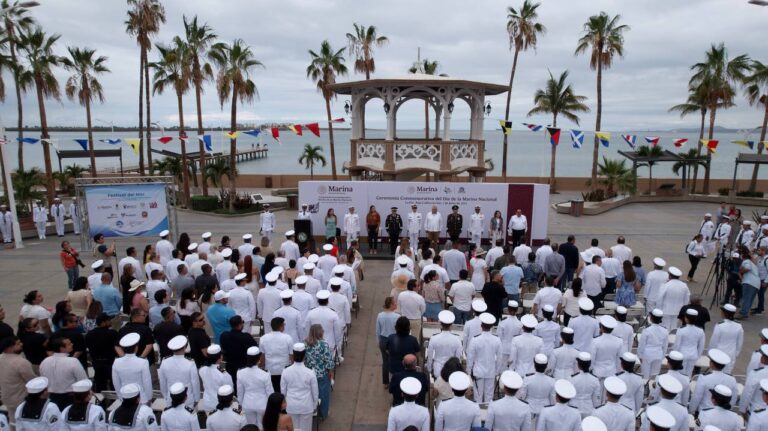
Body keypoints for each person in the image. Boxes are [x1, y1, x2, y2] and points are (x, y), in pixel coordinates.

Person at [39, 336, 88, 410]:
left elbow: (43, 380)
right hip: (70, 397)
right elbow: (83, 380)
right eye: (69, 344)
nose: (72, 344)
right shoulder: (73, 361)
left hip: (52, 397)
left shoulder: (45, 361)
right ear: (62, 348)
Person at [466, 313, 502, 403]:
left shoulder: (475, 339)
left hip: (478, 372)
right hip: (491, 372)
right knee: (489, 398)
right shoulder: (497, 340)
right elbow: (499, 358)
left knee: (478, 397)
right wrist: (497, 371)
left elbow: (470, 357)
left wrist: (468, 371)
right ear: (492, 326)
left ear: (481, 325)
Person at [689, 349, 738, 414]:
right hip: (723, 413)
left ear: (711, 364)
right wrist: (727, 411)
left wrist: (691, 411)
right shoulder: (732, 379)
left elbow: (697, 397)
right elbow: (733, 398)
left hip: (704, 412)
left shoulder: (704, 378)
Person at [159, 336, 201, 408]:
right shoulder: (190, 363)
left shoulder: (164, 362)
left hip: (171, 398)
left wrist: (166, 396)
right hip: (187, 399)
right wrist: (197, 398)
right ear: (185, 347)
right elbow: (195, 382)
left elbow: (162, 382)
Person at [0, 336, 36, 420]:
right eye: (18, 343)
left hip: (6, 397)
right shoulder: (21, 362)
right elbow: (32, 381)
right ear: (10, 348)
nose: (21, 344)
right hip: (21, 399)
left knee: (12, 420)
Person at [237, 347, 273, 428]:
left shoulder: (240, 373)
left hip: (247, 404)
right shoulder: (265, 373)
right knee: (262, 426)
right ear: (258, 358)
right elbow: (270, 392)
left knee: (250, 427)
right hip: (262, 404)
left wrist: (240, 405)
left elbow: (240, 392)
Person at [112, 333, 153, 404]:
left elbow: (116, 383)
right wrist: (149, 397)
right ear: (136, 348)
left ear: (123, 348)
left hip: (125, 397)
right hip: (141, 398)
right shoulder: (143, 362)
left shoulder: (116, 362)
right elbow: (147, 382)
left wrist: (121, 397)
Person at [85, 314, 118, 392]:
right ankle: (114, 400)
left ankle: (101, 402)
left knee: (100, 384)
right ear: (103, 322)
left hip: (96, 362)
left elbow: (88, 347)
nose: (110, 322)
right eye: (108, 320)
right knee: (114, 383)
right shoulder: (112, 333)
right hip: (110, 361)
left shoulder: (90, 334)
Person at [260, 317, 294, 393]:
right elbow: (291, 355)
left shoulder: (263, 338)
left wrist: (262, 367)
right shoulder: (287, 338)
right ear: (281, 326)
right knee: (283, 392)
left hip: (270, 369)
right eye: (284, 325)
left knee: (272, 393)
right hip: (284, 369)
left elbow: (262, 356)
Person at [305, 290, 343, 357]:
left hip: (314, 344)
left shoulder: (310, 313)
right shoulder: (333, 314)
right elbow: (337, 331)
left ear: (317, 301)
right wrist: (337, 344)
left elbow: (307, 330)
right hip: (329, 343)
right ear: (328, 301)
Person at [219, 315, 257, 384]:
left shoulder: (224, 336)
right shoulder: (246, 337)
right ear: (240, 324)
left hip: (230, 366)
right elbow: (255, 349)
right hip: (243, 367)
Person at [709, 303, 744, 375]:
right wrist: (735, 354)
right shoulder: (739, 326)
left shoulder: (720, 325)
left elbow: (714, 341)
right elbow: (739, 343)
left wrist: (711, 353)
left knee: (716, 373)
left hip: (719, 352)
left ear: (724, 313)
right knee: (727, 373)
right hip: (731, 353)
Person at [198, 344, 233, 412]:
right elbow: (230, 389)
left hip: (207, 403)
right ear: (220, 357)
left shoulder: (202, 370)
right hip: (220, 406)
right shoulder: (224, 374)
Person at [376, 297, 400, 386]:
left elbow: (378, 330)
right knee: (395, 360)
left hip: (383, 339)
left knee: (385, 361)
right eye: (394, 303)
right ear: (390, 305)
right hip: (394, 340)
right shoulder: (397, 316)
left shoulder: (380, 315)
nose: (396, 305)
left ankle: (385, 382)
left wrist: (378, 341)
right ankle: (394, 380)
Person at [674, 309, 706, 376]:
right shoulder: (700, 330)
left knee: (680, 374)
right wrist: (698, 356)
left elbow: (677, 345)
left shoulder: (681, 329)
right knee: (689, 374)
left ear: (686, 318)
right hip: (693, 355)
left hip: (682, 354)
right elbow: (701, 346)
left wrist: (675, 356)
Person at [741, 248, 761, 319]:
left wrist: (741, 271)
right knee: (750, 299)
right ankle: (745, 312)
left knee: (746, 299)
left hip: (749, 282)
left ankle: (743, 313)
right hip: (756, 284)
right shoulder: (754, 264)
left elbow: (747, 268)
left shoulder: (746, 261)